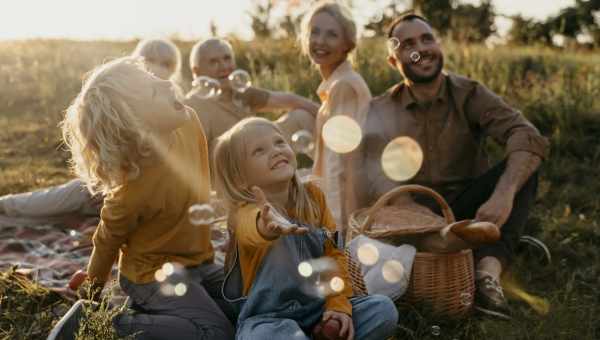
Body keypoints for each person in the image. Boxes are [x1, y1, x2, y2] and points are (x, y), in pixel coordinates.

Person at [354, 14, 549, 320]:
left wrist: (503, 194)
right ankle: (492, 244)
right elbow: (377, 175)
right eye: (408, 44)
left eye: (426, 39)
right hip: (414, 217)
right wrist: (414, 214)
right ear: (394, 61)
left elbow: (527, 136)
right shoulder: (381, 109)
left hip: (471, 206)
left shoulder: (470, 93)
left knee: (523, 166)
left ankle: (486, 275)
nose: (421, 49)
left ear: (439, 44)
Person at [48, 57, 234, 340]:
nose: (166, 82)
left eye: (154, 77)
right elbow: (106, 241)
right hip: (150, 275)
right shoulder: (132, 191)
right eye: (153, 89)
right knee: (216, 333)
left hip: (200, 260)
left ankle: (158, 316)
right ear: (137, 123)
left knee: (252, 306)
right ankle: (102, 321)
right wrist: (90, 293)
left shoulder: (189, 122)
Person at [213, 117, 398, 340]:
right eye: (259, 151)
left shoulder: (314, 197)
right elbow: (250, 231)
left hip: (319, 309)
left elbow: (334, 255)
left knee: (382, 309)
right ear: (240, 178)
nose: (275, 151)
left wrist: (338, 308)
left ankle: (321, 332)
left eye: (279, 142)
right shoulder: (245, 213)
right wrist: (266, 228)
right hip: (269, 321)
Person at [0, 38, 184, 228]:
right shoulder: (119, 103)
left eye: (166, 63)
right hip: (111, 185)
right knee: (71, 195)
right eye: (150, 61)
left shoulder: (179, 106)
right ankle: (7, 206)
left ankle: (10, 215)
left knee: (64, 214)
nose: (158, 68)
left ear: (174, 69)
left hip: (142, 197)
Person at [299, 0, 372, 229]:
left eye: (332, 35)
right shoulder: (336, 84)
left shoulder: (344, 86)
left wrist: (338, 230)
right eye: (315, 32)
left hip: (343, 209)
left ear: (347, 45)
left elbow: (339, 165)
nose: (320, 41)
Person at [185, 38, 319, 157]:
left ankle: (330, 170)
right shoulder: (193, 105)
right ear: (197, 71)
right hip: (230, 168)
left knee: (302, 116)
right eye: (213, 62)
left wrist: (328, 116)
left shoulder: (239, 91)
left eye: (227, 58)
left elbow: (290, 100)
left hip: (259, 152)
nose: (224, 67)